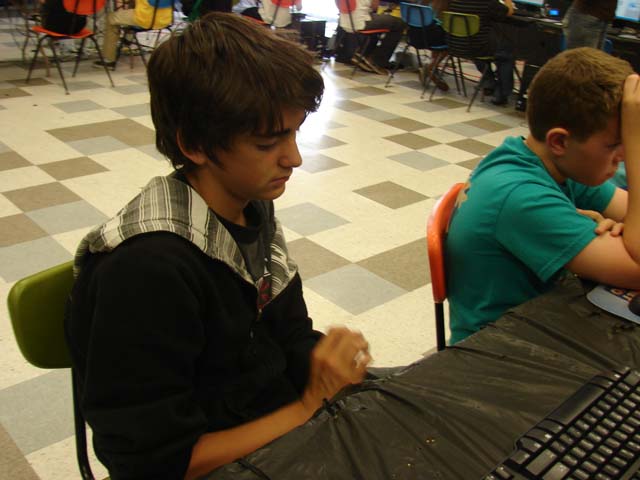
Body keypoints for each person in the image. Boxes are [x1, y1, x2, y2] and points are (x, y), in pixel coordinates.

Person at [66, 13, 372, 480]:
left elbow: (285, 333)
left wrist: (327, 361)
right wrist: (309, 405)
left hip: (265, 422)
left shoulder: (250, 208)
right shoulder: (146, 272)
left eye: (294, 133)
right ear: (195, 145)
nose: (293, 158)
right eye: (267, 143)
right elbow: (153, 463)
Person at [445, 47, 640, 345]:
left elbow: (628, 213)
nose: (622, 158)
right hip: (497, 348)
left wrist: (627, 230)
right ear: (559, 141)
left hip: (538, 321)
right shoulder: (520, 195)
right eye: (615, 145)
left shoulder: (554, 162)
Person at [448, 0, 515, 106]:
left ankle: (489, 82)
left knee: (479, 44)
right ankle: (501, 94)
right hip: (477, 47)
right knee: (506, 52)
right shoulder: (488, 2)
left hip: (456, 45)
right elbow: (508, 12)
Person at [93, 0, 173, 68]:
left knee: (111, 18)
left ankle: (108, 59)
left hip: (145, 18)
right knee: (131, 7)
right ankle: (128, 39)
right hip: (165, 19)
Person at [336, 0, 406, 74]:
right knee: (399, 24)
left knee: (383, 20)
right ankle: (377, 61)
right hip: (361, 22)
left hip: (345, 22)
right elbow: (374, 7)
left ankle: (364, 56)